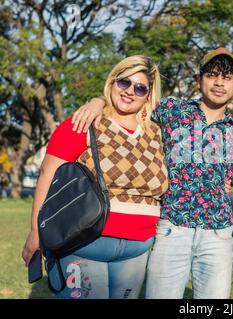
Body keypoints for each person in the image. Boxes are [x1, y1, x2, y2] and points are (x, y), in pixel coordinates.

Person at [70, 48, 233, 299]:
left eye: (227, 78)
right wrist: (97, 102)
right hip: (171, 229)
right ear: (199, 80)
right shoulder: (171, 110)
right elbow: (127, 104)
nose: (219, 82)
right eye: (212, 75)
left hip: (217, 236)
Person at [22, 55, 169, 299]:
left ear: (148, 95)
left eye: (140, 87)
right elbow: (47, 175)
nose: (130, 91)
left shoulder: (156, 134)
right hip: (84, 244)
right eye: (124, 82)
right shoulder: (85, 122)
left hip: (137, 249)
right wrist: (36, 232)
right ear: (112, 81)